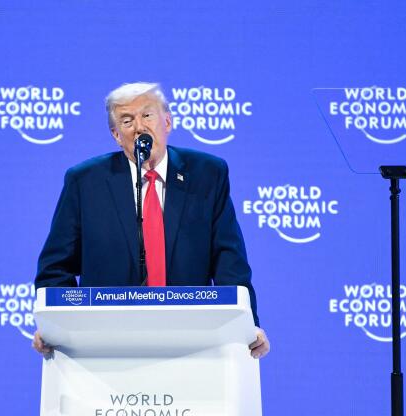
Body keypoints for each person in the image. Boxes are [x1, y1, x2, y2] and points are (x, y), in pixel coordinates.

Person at [32, 82, 269, 359]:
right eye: (127, 120)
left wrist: (247, 326)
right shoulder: (85, 182)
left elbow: (230, 262)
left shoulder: (208, 174)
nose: (139, 127)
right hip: (105, 345)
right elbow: (54, 269)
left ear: (167, 121)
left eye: (147, 115)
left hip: (193, 340)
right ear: (116, 135)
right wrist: (58, 328)